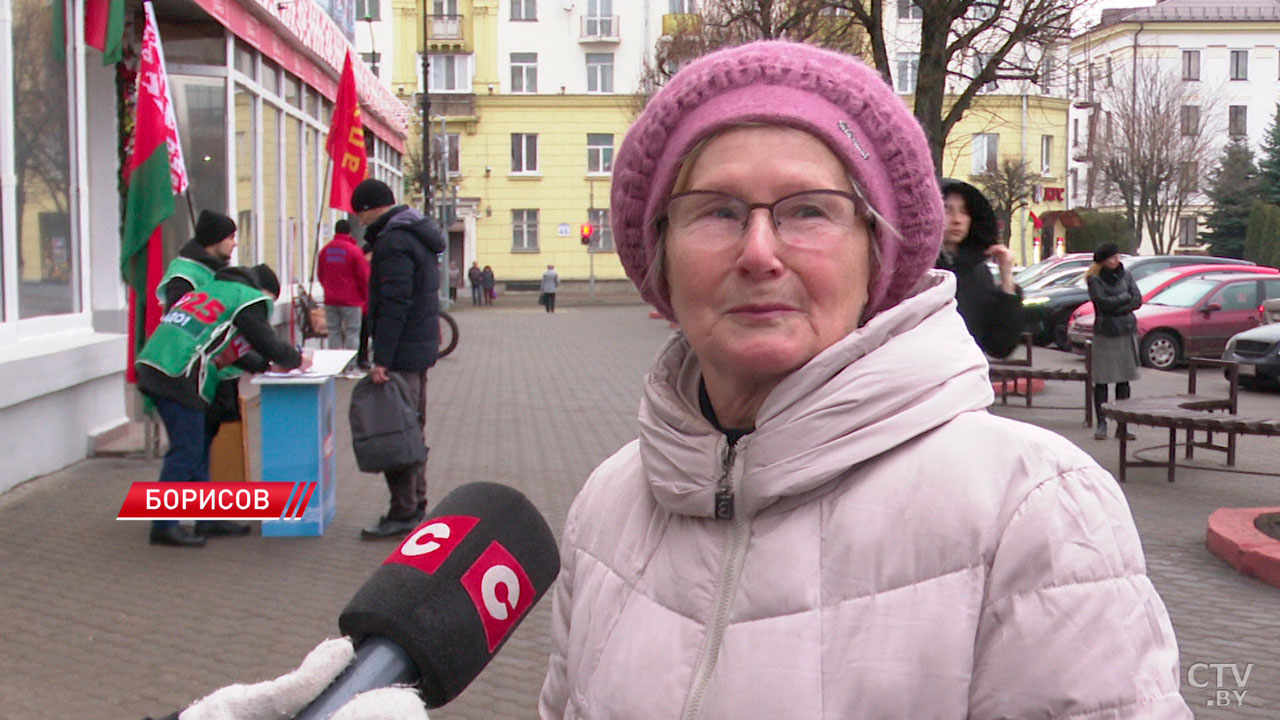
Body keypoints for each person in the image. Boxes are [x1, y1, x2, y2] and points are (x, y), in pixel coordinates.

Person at [536, 41, 1191, 719]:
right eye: (716, 211)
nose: (759, 252)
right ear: (661, 255)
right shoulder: (610, 506)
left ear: (877, 253)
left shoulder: (1030, 510)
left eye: (809, 210)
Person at [136, 265, 309, 547]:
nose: (265, 311)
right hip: (177, 373)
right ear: (261, 292)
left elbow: (232, 349)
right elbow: (266, 341)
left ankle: (208, 517)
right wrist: (297, 361)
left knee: (199, 446)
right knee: (186, 451)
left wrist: (266, 366)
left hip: (158, 365)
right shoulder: (247, 298)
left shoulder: (214, 290)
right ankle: (163, 526)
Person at [349, 178, 446, 540]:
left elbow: (394, 304)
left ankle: (403, 510)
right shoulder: (415, 235)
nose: (359, 220)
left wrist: (381, 359)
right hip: (417, 351)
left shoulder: (393, 242)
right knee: (411, 429)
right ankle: (415, 504)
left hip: (401, 354)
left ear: (373, 207)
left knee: (394, 432)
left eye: (360, 211)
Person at [937, 178, 1024, 358]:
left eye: (965, 211)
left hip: (965, 377)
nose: (957, 220)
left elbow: (1000, 345)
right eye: (947, 209)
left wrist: (1007, 280)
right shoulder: (915, 269)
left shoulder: (977, 272)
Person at [1087, 242, 1142, 441]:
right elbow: (1101, 304)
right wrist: (1123, 299)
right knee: (1101, 381)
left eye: (1117, 256)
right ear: (1103, 261)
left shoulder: (1126, 275)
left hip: (1126, 331)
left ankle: (1122, 425)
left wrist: (1119, 305)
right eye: (1112, 257)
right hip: (1105, 332)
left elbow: (1137, 300)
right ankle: (1102, 423)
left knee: (1124, 380)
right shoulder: (1095, 279)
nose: (1116, 260)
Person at [316, 219, 370, 352]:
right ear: (350, 232)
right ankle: (350, 365)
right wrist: (364, 296)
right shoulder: (355, 251)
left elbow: (320, 274)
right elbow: (363, 277)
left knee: (334, 332)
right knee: (352, 332)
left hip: (330, 299)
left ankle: (335, 364)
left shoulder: (325, 251)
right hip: (351, 300)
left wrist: (328, 289)